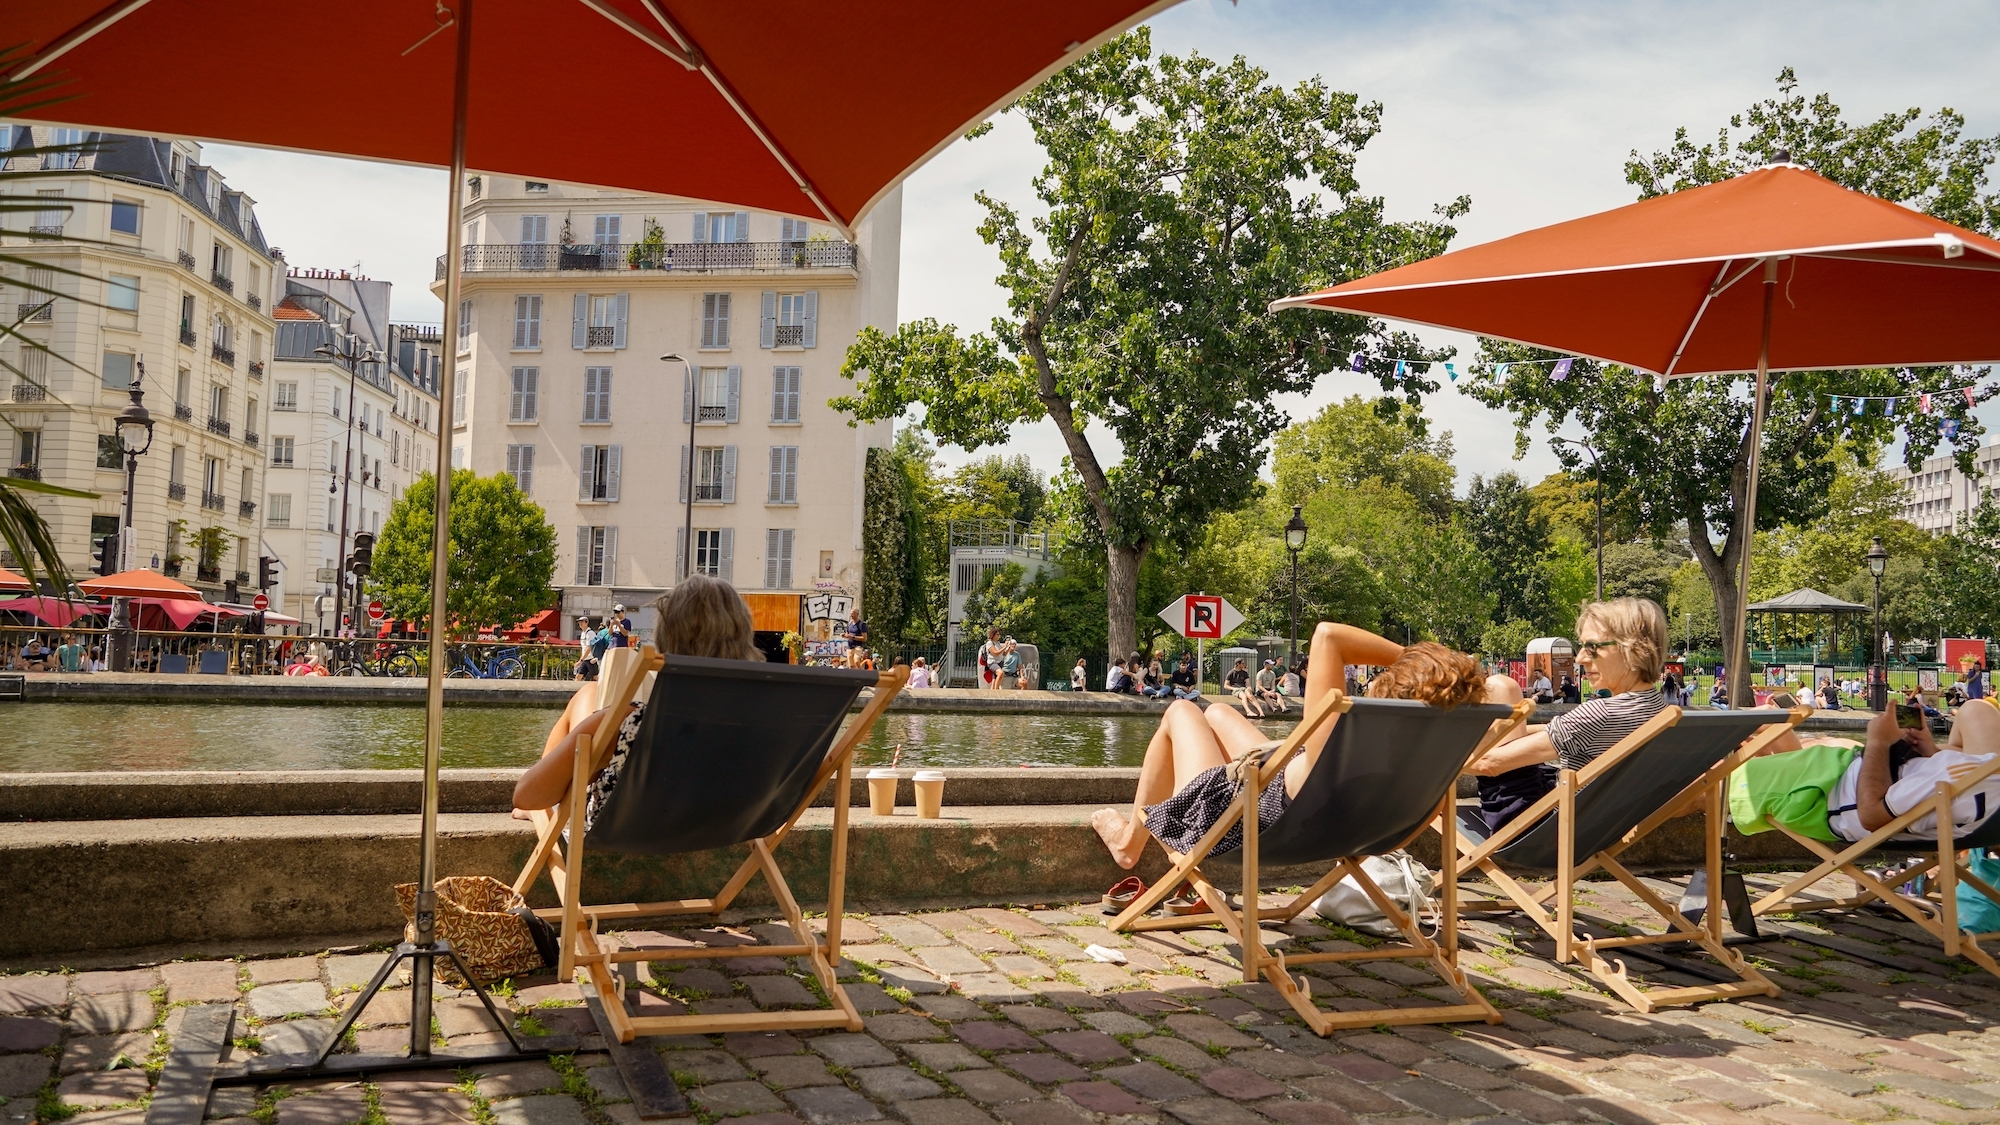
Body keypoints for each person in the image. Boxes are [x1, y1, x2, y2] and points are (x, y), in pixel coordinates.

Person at [1091, 622, 1492, 869]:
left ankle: (1128, 844)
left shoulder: (1330, 744)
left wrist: (1419, 659)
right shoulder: (1430, 757)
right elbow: (1498, 689)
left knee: (1182, 711)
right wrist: (1445, 673)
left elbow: (1328, 636)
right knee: (1217, 714)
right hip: (1351, 827)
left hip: (1240, 822)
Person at [515, 575, 765, 821]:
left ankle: (541, 815)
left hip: (624, 831)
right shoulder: (765, 723)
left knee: (588, 694)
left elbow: (526, 795)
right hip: (718, 829)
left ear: (666, 639)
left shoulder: (631, 723)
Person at [1465, 598, 1672, 833]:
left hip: (1536, 827)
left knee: (1501, 686)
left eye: (1592, 647)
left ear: (1632, 649)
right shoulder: (1658, 709)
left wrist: (1436, 760)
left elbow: (1488, 764)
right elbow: (1559, 728)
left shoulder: (1599, 713)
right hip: (1595, 830)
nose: (1580, 658)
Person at [1731, 694, 2000, 845]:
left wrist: (1878, 742)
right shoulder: (1987, 772)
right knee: (1975, 709)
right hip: (1851, 770)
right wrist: (1930, 753)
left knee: (1712, 786)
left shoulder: (1947, 781)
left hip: (1830, 791)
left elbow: (1870, 816)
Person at [574, 616, 600, 681]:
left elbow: (589, 648)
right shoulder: (583, 633)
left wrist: (581, 660)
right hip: (585, 659)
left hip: (591, 659)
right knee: (578, 676)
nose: (580, 623)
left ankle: (605, 688)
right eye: (579, 622)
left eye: (581, 622)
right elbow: (584, 648)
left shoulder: (590, 633)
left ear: (586, 622)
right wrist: (582, 659)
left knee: (596, 677)